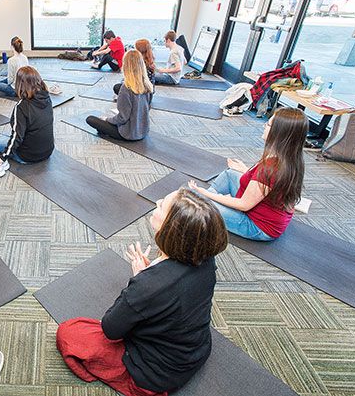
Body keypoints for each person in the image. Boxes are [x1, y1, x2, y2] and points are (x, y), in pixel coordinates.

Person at [56, 188, 228, 396]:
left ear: (171, 228)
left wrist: (139, 279)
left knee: (69, 332)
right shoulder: (205, 258)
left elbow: (111, 329)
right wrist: (149, 275)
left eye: (162, 204)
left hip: (154, 376)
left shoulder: (148, 286)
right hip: (197, 351)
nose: (157, 202)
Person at [189, 107, 308, 241]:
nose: (264, 125)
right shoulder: (290, 157)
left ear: (279, 133)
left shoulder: (271, 167)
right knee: (230, 174)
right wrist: (246, 171)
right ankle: (208, 205)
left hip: (258, 227)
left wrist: (206, 194)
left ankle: (205, 206)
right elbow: (268, 184)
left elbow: (244, 205)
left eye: (268, 124)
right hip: (266, 210)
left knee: (199, 203)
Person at [0, 66, 54, 179]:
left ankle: (3, 161)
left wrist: (2, 158)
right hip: (48, 151)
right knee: (12, 136)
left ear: (20, 84)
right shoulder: (47, 97)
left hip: (27, 157)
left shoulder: (22, 107)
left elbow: (17, 137)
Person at [86, 50, 154, 141]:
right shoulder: (148, 85)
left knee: (90, 119)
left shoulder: (126, 88)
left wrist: (107, 119)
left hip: (128, 134)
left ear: (126, 66)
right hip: (143, 130)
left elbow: (122, 118)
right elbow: (147, 109)